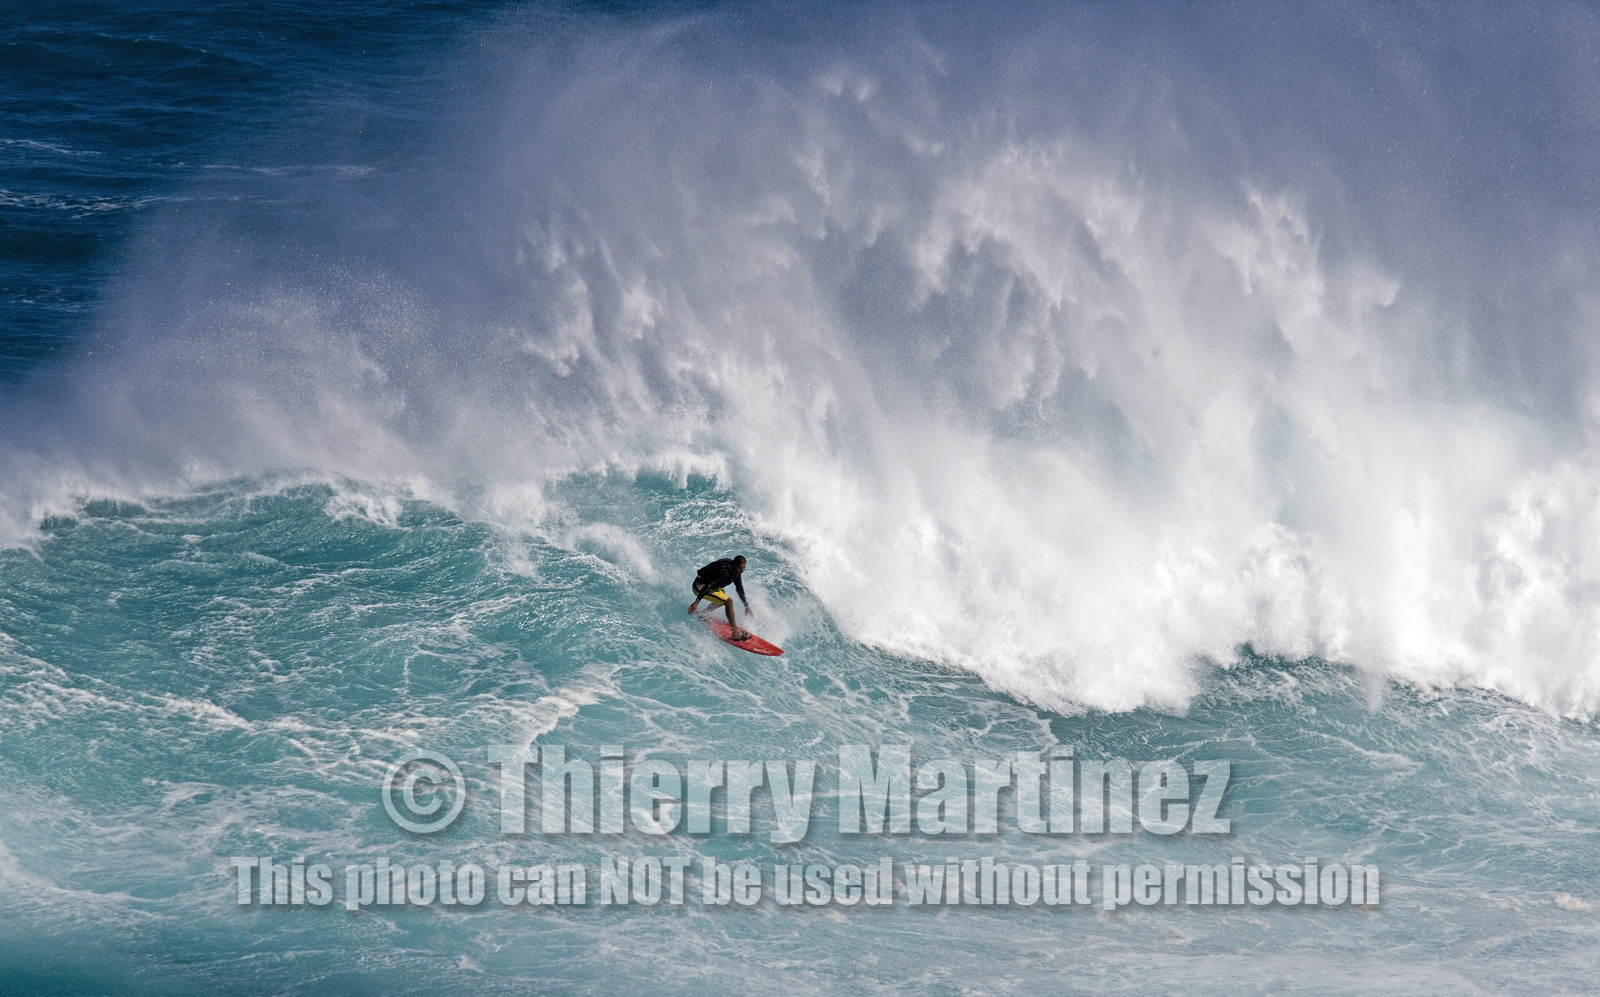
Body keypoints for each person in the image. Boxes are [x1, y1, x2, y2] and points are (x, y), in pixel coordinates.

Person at [688, 555, 753, 640]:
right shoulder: (725, 572)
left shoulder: (736, 572)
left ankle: (704, 614)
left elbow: (739, 588)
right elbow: (709, 584)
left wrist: (746, 605)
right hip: (699, 586)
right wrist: (697, 601)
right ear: (734, 565)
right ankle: (735, 633)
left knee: (723, 596)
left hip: (709, 586)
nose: (742, 571)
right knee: (728, 601)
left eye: (744, 568)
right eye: (740, 568)